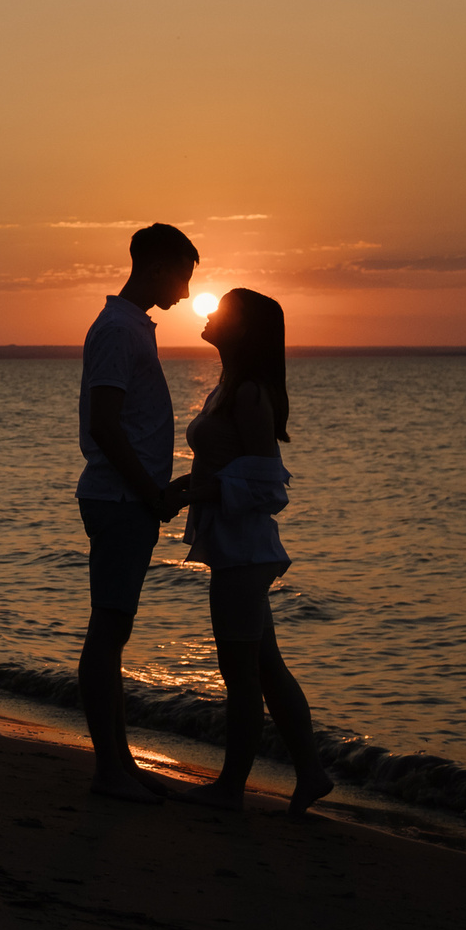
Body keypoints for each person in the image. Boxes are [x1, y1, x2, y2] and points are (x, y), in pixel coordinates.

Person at [177, 288, 335, 817]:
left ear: (244, 331)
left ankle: (230, 788)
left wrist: (197, 492)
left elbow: (270, 487)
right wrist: (187, 486)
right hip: (235, 550)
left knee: (240, 675)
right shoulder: (228, 387)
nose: (211, 314)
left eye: (223, 310)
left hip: (244, 553)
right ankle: (311, 773)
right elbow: (227, 468)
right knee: (266, 668)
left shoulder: (249, 393)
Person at [74, 222, 200, 803]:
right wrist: (149, 494)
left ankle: (119, 763)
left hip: (128, 497)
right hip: (120, 499)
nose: (186, 290)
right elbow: (104, 423)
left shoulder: (130, 327)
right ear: (156, 268)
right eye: (183, 275)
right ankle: (109, 770)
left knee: (113, 630)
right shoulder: (120, 330)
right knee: (109, 631)